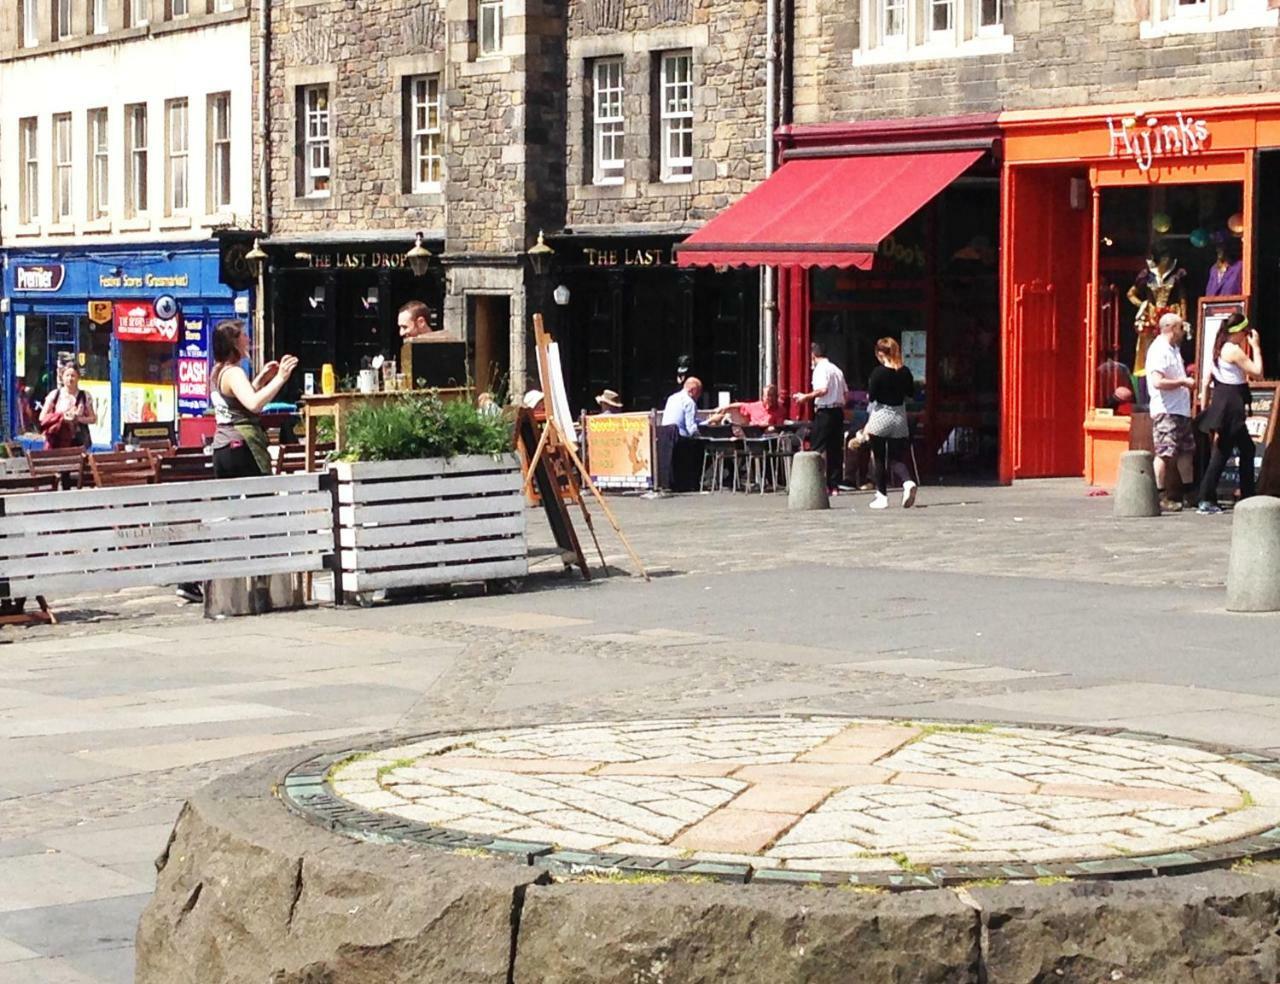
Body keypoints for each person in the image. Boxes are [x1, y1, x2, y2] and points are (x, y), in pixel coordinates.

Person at [1197, 312, 1263, 514]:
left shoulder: (1219, 347)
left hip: (1224, 401)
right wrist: (1256, 347)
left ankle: (1247, 495)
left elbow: (1207, 379)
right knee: (1223, 451)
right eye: (1244, 332)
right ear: (1239, 332)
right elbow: (1258, 373)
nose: (1246, 336)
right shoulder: (1233, 350)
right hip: (1231, 405)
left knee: (1246, 448)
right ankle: (1206, 498)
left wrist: (1204, 403)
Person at [1145, 313, 1197, 511]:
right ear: (1172, 328)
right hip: (1166, 410)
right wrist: (1183, 382)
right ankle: (1159, 496)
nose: (1183, 332)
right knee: (1165, 453)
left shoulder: (1174, 349)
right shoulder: (1159, 350)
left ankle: (1188, 492)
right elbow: (1157, 382)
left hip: (1181, 410)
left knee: (1186, 452)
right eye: (1181, 328)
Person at [858, 337, 916, 510]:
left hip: (881, 415)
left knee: (879, 458)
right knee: (896, 458)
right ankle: (907, 482)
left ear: (881, 354)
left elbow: (872, 396)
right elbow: (911, 393)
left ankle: (882, 496)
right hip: (899, 417)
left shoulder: (878, 373)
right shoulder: (905, 372)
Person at [1127, 242, 1187, 404]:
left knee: (1171, 353)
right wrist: (1144, 305)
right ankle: (1145, 395)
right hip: (1152, 318)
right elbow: (1131, 294)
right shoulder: (1147, 275)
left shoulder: (1176, 274)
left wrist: (1183, 320)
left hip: (1170, 318)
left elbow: (1182, 299)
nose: (1166, 260)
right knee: (1147, 355)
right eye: (1164, 257)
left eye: (1168, 257)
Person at [794, 343, 848, 494]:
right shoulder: (837, 370)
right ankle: (834, 486)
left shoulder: (820, 369)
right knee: (835, 449)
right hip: (838, 412)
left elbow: (822, 389)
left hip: (825, 412)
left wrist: (805, 397)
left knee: (818, 447)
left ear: (813, 355)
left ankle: (816, 483)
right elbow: (846, 395)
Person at [39, 364, 96, 449]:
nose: (70, 379)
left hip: (77, 440)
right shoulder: (55, 395)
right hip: (58, 439)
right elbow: (42, 417)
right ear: (62, 377)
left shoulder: (84, 396)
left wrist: (78, 419)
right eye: (67, 375)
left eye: (73, 376)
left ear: (78, 378)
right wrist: (62, 417)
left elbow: (93, 418)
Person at [661, 376, 703, 491]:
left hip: (666, 435)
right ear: (693, 391)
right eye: (699, 392)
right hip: (680, 438)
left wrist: (704, 421)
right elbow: (691, 428)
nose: (699, 396)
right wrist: (702, 434)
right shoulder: (689, 402)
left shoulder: (672, 398)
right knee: (701, 447)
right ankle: (693, 482)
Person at [712, 384, 785, 430]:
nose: (770, 399)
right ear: (763, 397)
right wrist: (724, 407)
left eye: (772, 396)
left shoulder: (780, 410)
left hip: (769, 439)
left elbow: (779, 428)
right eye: (767, 396)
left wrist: (767, 426)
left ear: (776, 397)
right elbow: (741, 405)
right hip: (752, 436)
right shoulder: (755, 406)